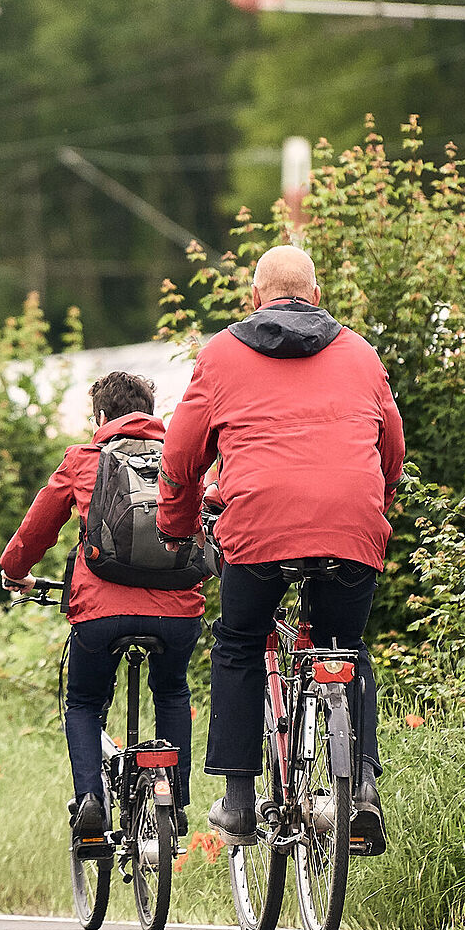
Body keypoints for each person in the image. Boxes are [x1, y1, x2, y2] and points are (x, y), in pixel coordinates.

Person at [156, 245, 404, 851]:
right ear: (316, 296)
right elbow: (391, 451)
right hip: (352, 524)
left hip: (259, 527)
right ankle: (363, 787)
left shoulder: (219, 354)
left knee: (240, 641)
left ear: (253, 298)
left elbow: (181, 459)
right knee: (344, 646)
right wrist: (369, 511)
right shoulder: (359, 352)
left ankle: (239, 800)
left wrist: (178, 527)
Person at [1, 370, 203, 843]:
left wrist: (14, 572)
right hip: (178, 610)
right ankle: (175, 800)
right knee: (171, 691)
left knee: (85, 702)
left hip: (100, 611)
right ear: (151, 414)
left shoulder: (83, 459)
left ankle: (91, 801)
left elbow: (37, 530)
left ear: (100, 416)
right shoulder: (182, 459)